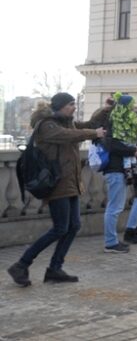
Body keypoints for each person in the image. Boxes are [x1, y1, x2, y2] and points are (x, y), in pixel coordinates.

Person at [7, 93, 106, 287]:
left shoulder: (66, 122)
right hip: (56, 184)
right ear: (60, 106)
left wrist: (106, 109)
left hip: (70, 183)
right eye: (71, 104)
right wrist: (94, 134)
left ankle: (54, 269)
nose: (74, 107)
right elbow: (66, 136)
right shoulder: (47, 125)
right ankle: (21, 264)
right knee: (60, 228)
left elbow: (90, 124)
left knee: (74, 226)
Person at [97, 95, 137, 253]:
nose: (132, 110)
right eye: (130, 106)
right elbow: (113, 146)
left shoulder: (118, 122)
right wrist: (132, 150)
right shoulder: (115, 123)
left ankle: (112, 241)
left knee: (115, 207)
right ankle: (110, 243)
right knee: (114, 208)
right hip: (115, 169)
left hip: (118, 169)